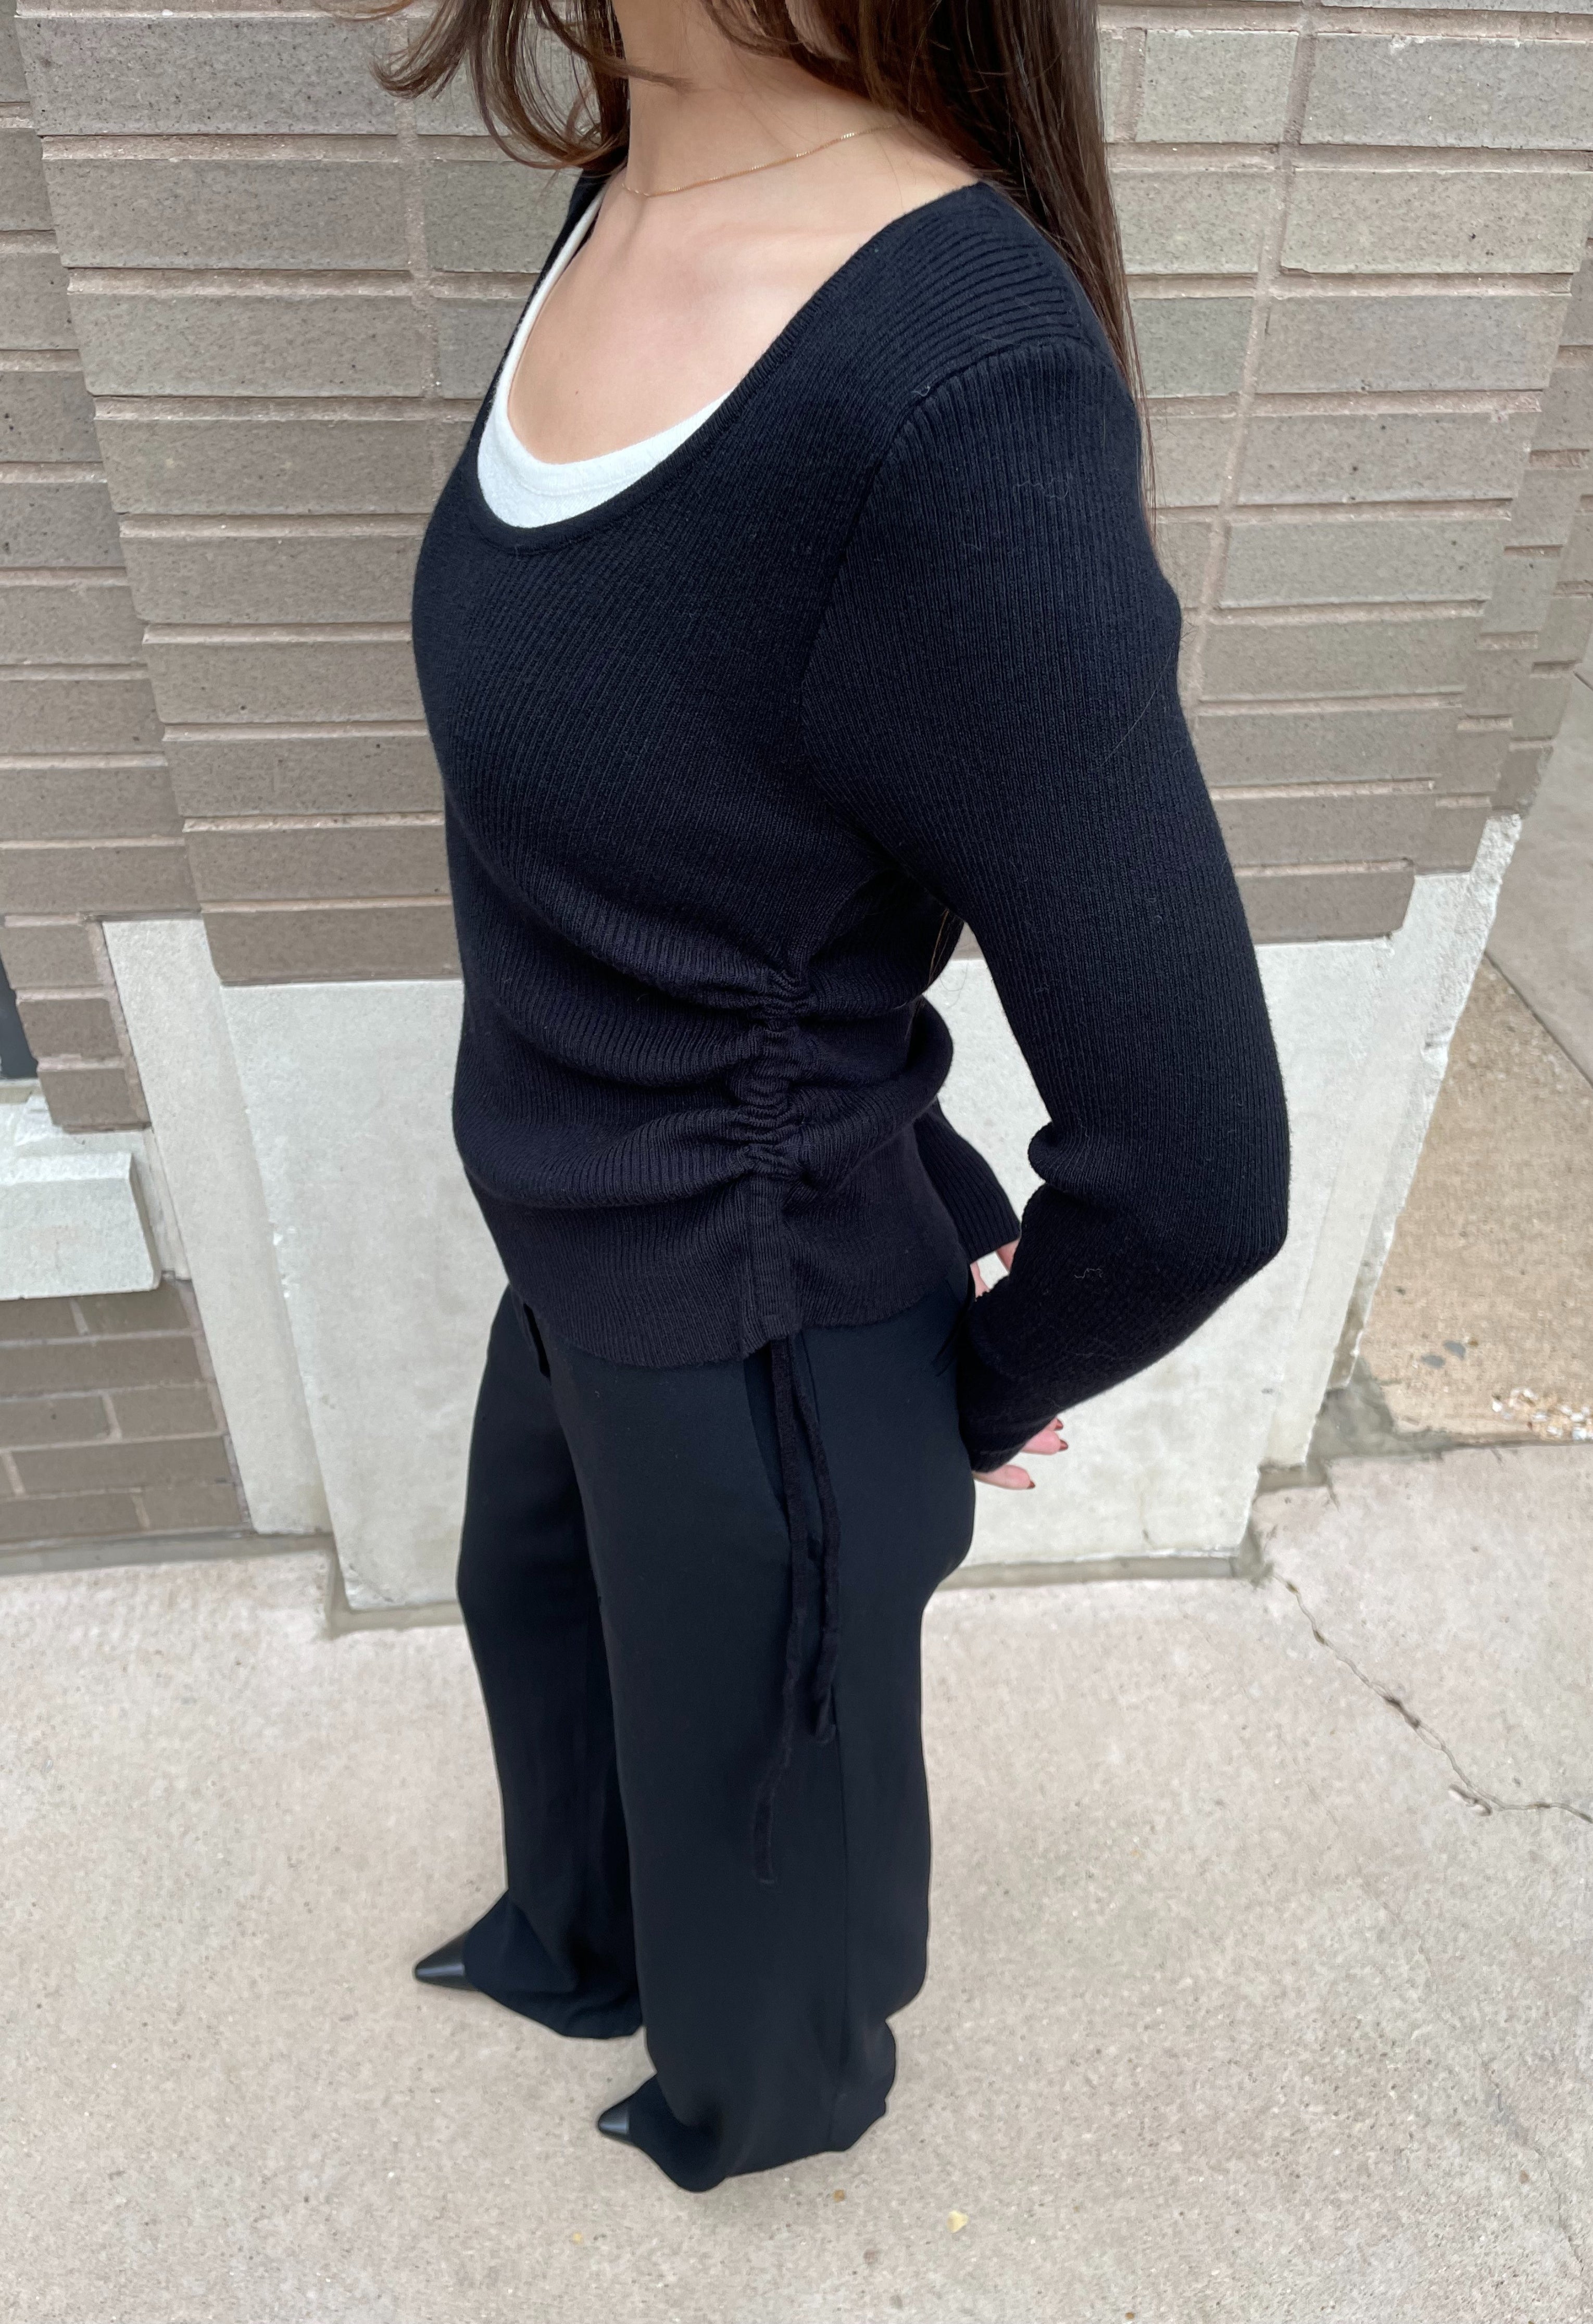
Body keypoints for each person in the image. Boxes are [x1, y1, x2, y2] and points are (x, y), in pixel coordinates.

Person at [379, 0, 1290, 2194]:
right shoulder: (628, 190)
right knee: (543, 1627)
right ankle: (579, 1944)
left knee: (765, 1821)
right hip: (575, 1228)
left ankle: (762, 2107)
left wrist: (957, 1394)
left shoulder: (958, 394)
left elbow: (1199, 1162)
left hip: (758, 1312)